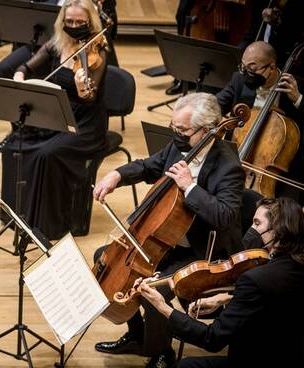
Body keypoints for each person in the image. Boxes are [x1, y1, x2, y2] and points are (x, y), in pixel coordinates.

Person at [92, 93, 245, 368]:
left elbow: (226, 216)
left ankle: (161, 352)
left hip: (202, 250)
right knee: (105, 257)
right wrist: (116, 175)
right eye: (174, 128)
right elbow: (148, 166)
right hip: (166, 242)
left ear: (207, 130)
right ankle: (137, 336)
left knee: (153, 289)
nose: (176, 135)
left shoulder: (228, 166)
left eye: (182, 130)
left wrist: (190, 187)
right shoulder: (179, 148)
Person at [139, 197, 304, 368]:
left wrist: (162, 306)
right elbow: (273, 297)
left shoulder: (255, 279)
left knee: (186, 365)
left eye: (257, 223)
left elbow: (212, 339)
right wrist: (223, 298)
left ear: (278, 230)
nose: (252, 229)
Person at [0, 0, 108, 240]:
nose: (74, 25)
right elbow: (26, 66)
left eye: (80, 22)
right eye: (69, 21)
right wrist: (20, 76)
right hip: (56, 114)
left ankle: (45, 224)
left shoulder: (98, 51)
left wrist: (82, 85)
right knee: (12, 145)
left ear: (90, 22)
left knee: (46, 155)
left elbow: (90, 97)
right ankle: (18, 215)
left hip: (84, 124)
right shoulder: (57, 44)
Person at [215, 41, 304, 205]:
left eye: (252, 69)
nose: (246, 73)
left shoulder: (296, 87)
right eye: (243, 67)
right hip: (242, 159)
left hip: (285, 168)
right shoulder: (239, 80)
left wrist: (299, 100)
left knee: (281, 217)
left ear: (271, 68)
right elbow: (215, 106)